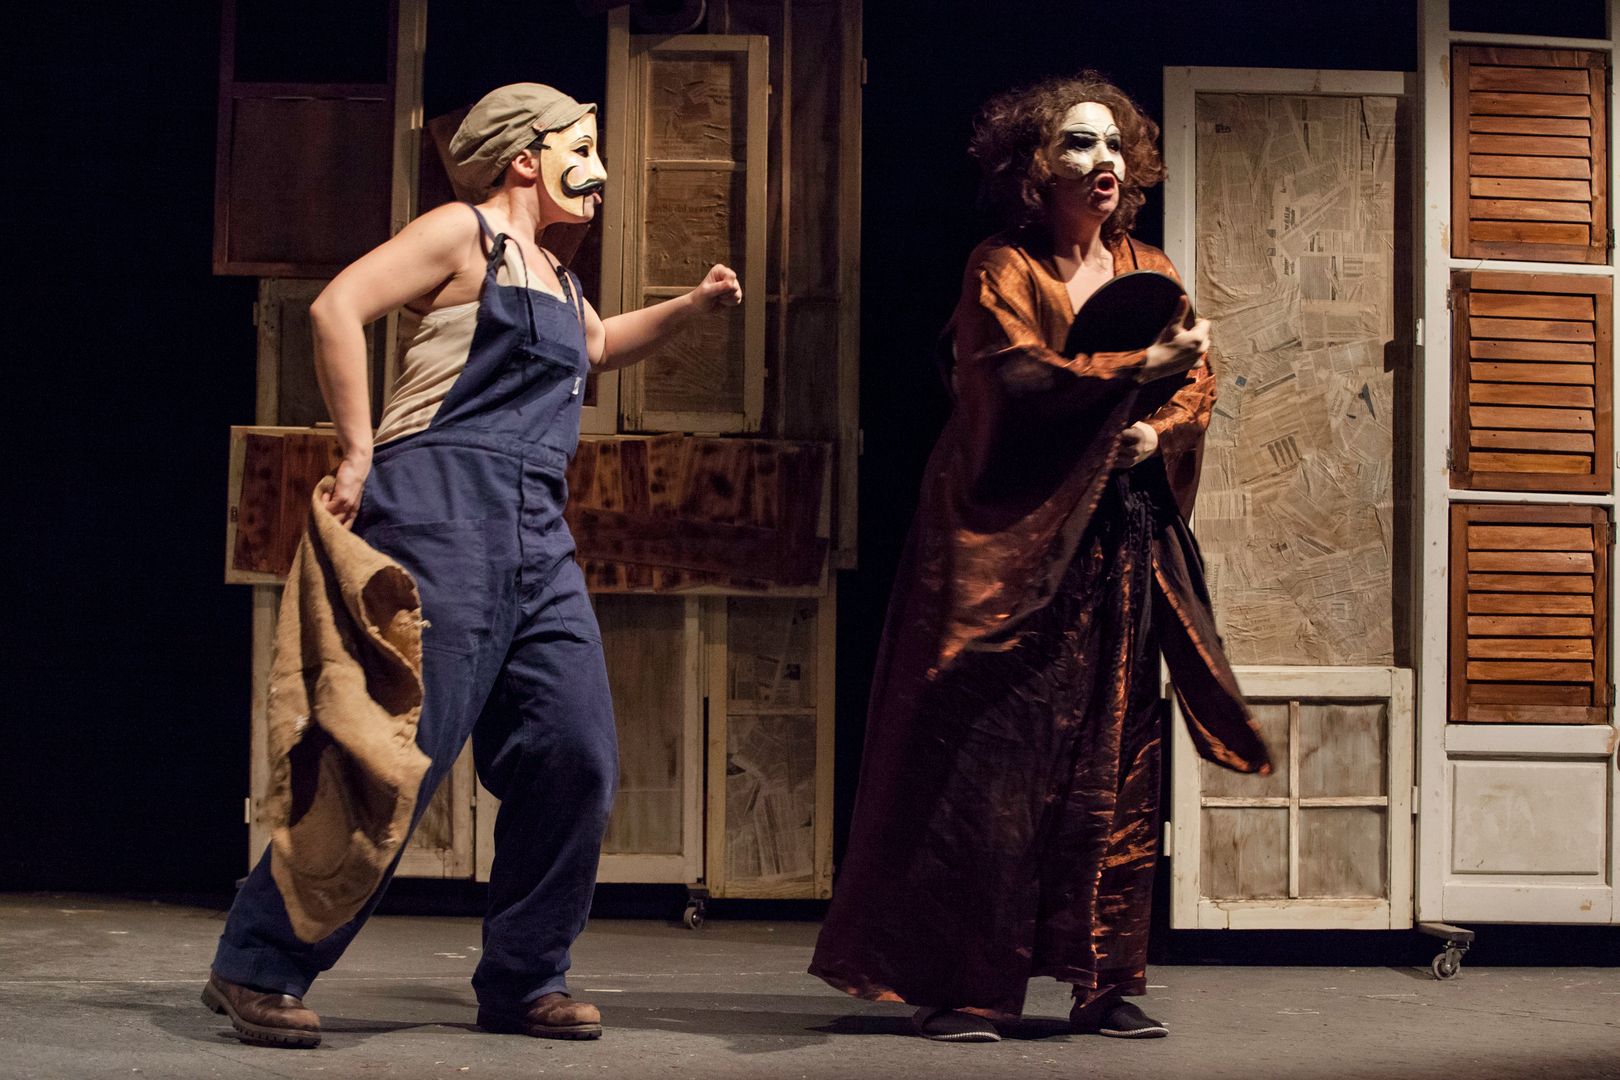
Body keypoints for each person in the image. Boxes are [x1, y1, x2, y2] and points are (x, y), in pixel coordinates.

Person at [203, 82, 742, 1049]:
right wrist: (356, 449)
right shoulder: (465, 233)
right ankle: (258, 960)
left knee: (574, 751)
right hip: (439, 505)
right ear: (526, 157)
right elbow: (337, 307)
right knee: (392, 750)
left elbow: (600, 344)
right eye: (581, 145)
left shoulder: (561, 279)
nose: (598, 169)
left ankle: (526, 977)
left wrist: (693, 306)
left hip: (537, 524)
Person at [808, 73, 1270, 1043]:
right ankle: (969, 986)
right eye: (1077, 143)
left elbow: (1196, 381)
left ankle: (1105, 981)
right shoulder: (1003, 268)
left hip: (1113, 547)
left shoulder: (1149, 266)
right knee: (992, 765)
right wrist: (1132, 373)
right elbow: (1011, 380)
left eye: (1114, 145)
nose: (1103, 161)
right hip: (1008, 548)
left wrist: (1157, 432)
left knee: (1115, 760)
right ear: (1033, 167)